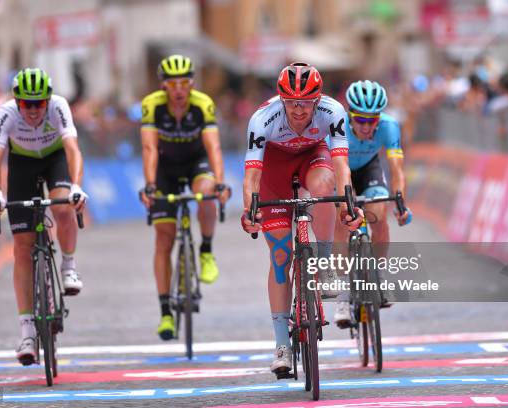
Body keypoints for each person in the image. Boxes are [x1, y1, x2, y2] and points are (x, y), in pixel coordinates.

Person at [241, 62, 364, 377]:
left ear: (318, 99)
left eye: (306, 102)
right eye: (292, 102)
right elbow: (252, 176)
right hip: (274, 167)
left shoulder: (333, 112)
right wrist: (249, 210)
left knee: (324, 187)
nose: (298, 109)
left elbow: (341, 167)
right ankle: (282, 344)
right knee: (280, 254)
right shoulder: (262, 119)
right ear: (281, 98)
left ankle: (322, 266)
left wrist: (348, 203)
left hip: (313, 156)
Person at [0, 68, 88, 365]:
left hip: (55, 159)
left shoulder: (59, 106)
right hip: (22, 164)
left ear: (47, 100)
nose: (32, 111)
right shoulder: (6, 113)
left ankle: (69, 266)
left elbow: (72, 149)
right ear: (17, 102)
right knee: (22, 247)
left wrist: (77, 185)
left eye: (38, 104)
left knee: (63, 206)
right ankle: (27, 332)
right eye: (26, 104)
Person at [139, 54, 230, 341]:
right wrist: (151, 185)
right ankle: (166, 312)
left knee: (206, 193)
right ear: (163, 85)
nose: (178, 89)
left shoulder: (203, 105)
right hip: (165, 168)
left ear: (191, 83)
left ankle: (205, 251)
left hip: (196, 163)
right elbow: (150, 149)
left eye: (184, 83)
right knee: (164, 237)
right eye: (172, 83)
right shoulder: (152, 106)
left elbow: (213, 147)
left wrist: (220, 182)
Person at [332, 80, 411, 328]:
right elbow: (339, 167)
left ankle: (378, 276)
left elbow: (397, 169)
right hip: (339, 168)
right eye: (361, 120)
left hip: (369, 169)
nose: (367, 126)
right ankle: (343, 295)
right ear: (350, 115)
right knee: (343, 221)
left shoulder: (389, 126)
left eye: (372, 120)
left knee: (378, 212)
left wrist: (400, 201)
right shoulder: (337, 125)